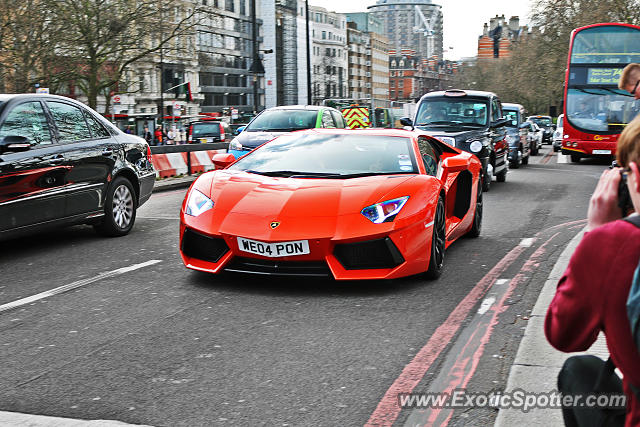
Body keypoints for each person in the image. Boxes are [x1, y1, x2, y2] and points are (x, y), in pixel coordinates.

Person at [545, 117, 640, 427]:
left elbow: (565, 335)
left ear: (634, 177)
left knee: (578, 370)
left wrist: (595, 233)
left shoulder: (613, 245)